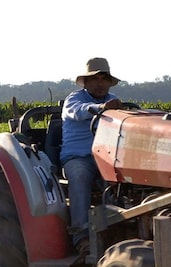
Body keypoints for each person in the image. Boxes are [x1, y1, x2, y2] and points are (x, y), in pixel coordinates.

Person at [60, 57, 122, 255]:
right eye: (95, 79)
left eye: (104, 79)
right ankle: (82, 237)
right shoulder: (75, 99)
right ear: (85, 82)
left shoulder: (113, 101)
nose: (100, 84)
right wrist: (100, 109)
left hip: (107, 157)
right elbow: (77, 112)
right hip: (78, 158)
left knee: (122, 185)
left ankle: (116, 233)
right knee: (79, 177)